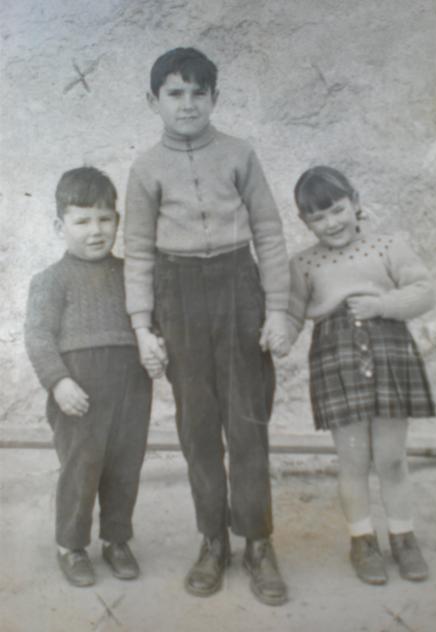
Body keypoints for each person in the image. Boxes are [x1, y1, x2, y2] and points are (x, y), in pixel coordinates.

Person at [124, 47, 289, 605]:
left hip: (239, 289)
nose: (188, 104)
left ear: (215, 98)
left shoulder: (240, 154)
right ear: (153, 101)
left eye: (199, 92)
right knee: (197, 428)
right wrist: (142, 326)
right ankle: (213, 540)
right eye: (175, 93)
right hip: (178, 295)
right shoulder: (146, 169)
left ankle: (258, 542)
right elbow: (138, 252)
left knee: (247, 423)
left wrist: (278, 308)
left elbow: (269, 234)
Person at [288, 166, 436, 585]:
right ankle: (362, 540)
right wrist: (277, 334)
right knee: (353, 460)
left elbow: (424, 291)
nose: (331, 223)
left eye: (337, 210)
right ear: (304, 221)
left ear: (354, 202)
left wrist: (383, 306)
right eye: (318, 217)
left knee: (391, 458)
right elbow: (292, 314)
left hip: (389, 354)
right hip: (336, 361)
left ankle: (403, 537)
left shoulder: (389, 246)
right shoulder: (303, 264)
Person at [25, 167, 152, 587]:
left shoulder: (132, 274)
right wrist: (59, 382)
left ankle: (116, 539)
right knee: (81, 469)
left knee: (125, 467)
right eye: (82, 221)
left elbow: (150, 322)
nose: (95, 231)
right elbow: (38, 337)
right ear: (59, 226)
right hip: (78, 391)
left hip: (131, 387)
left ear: (117, 220)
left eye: (104, 219)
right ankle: (71, 545)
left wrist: (156, 348)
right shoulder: (50, 281)